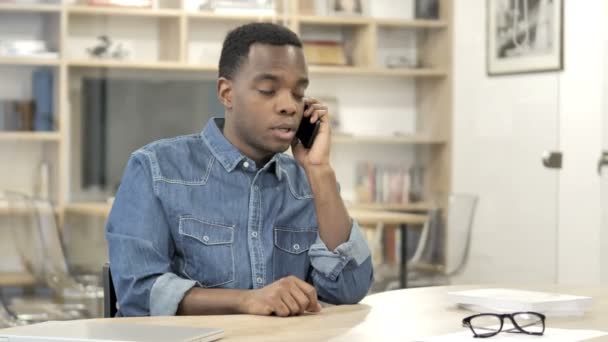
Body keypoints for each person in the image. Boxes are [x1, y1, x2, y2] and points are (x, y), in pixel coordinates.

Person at [106, 22, 373, 317]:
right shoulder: (155, 168)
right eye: (268, 90)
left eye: (298, 94)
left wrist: (320, 170)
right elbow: (138, 292)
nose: (289, 106)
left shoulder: (310, 181)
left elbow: (349, 291)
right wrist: (246, 300)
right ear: (226, 93)